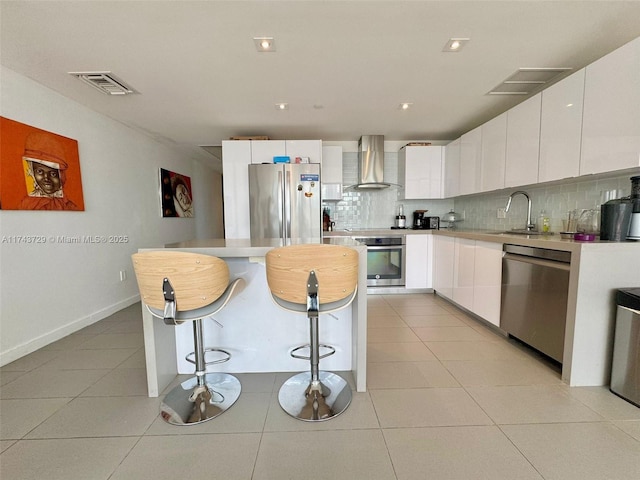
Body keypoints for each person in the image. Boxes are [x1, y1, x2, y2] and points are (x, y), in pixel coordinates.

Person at [18, 132, 79, 210]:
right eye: (40, 171)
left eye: (53, 174)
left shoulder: (68, 206)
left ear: (61, 176)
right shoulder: (26, 204)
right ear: (32, 172)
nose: (46, 178)